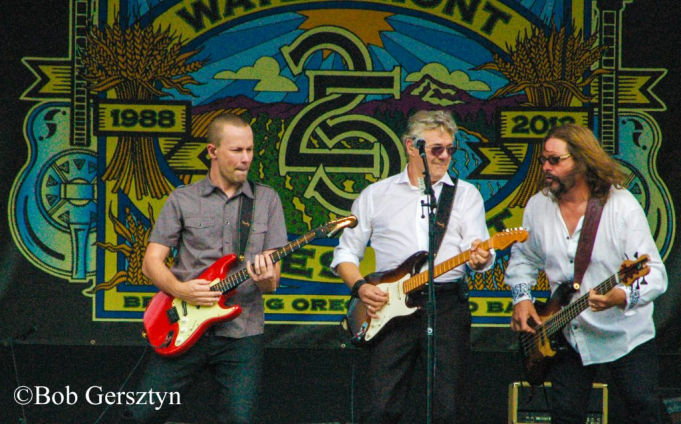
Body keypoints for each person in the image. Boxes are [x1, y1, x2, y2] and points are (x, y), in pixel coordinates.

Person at [123, 113, 288, 423]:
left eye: (250, 150)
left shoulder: (267, 200)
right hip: (181, 324)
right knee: (142, 415)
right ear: (212, 151)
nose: (246, 159)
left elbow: (272, 282)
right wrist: (181, 289)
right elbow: (151, 262)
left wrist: (266, 278)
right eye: (237, 150)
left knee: (239, 419)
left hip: (242, 332)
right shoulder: (182, 199)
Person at [331, 110, 494, 423]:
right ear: (410, 146)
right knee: (381, 405)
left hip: (446, 303)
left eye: (450, 149)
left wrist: (482, 257)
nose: (445, 156)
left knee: (449, 406)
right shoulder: (376, 195)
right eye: (436, 149)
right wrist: (362, 288)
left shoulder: (466, 195)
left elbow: (479, 249)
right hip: (389, 306)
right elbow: (345, 255)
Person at [506, 123, 668, 424]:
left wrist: (620, 296)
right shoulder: (538, 206)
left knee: (644, 408)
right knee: (566, 414)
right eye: (543, 159)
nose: (546, 167)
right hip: (569, 331)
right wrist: (522, 299)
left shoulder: (620, 206)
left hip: (624, 334)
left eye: (555, 160)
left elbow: (655, 273)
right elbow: (523, 260)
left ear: (581, 161)